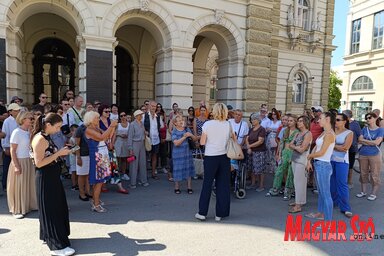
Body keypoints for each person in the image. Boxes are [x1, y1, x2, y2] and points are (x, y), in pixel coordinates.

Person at [31, 113, 75, 256]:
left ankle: (49, 235)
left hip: (52, 176)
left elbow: (49, 156)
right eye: (57, 127)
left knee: (56, 207)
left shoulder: (45, 136)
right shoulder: (40, 139)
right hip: (45, 178)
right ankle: (56, 244)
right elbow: (39, 163)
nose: (58, 130)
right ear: (48, 125)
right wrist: (58, 154)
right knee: (51, 209)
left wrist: (62, 152)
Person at [195, 103, 233, 222]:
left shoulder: (208, 124)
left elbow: (202, 142)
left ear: (214, 111)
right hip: (224, 157)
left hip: (211, 156)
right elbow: (233, 139)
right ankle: (220, 214)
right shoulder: (228, 124)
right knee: (223, 185)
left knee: (207, 184)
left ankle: (202, 213)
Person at [84, 111, 118, 212]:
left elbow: (108, 136)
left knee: (100, 181)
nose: (98, 119)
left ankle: (96, 200)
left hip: (102, 155)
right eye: (97, 118)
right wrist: (111, 126)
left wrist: (112, 127)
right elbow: (102, 137)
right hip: (97, 156)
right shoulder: (89, 130)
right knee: (98, 181)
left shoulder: (96, 128)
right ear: (91, 119)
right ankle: (96, 204)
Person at [306, 111, 336, 221]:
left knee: (326, 195)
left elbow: (322, 152)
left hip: (323, 165)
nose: (318, 120)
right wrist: (310, 159)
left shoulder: (329, 134)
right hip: (319, 164)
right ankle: (320, 213)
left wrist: (309, 156)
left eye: (320, 118)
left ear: (327, 119)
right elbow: (316, 147)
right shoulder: (324, 132)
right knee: (321, 193)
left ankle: (328, 222)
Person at [7, 111, 37, 219]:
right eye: (30, 118)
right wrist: (16, 165)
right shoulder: (16, 132)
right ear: (23, 119)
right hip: (19, 160)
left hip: (28, 160)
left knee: (28, 184)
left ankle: (28, 205)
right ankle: (17, 209)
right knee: (19, 185)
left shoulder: (28, 132)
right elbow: (12, 150)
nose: (32, 120)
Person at [267, 114, 298, 200]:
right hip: (284, 152)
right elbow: (281, 143)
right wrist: (279, 154)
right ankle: (275, 189)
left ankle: (288, 192)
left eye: (291, 121)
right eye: (288, 120)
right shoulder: (285, 130)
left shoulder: (298, 132)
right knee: (279, 171)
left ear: (295, 122)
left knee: (290, 173)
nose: (289, 122)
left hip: (293, 153)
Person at [356, 112, 383, 201]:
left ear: (375, 118)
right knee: (363, 173)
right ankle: (363, 192)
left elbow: (377, 142)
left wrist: (365, 141)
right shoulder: (364, 129)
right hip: (363, 154)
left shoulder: (380, 130)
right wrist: (371, 142)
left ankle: (373, 193)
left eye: (370, 117)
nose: (368, 119)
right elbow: (359, 140)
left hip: (374, 154)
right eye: (366, 118)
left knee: (374, 174)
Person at [330, 113, 353, 217]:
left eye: (338, 120)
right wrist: (337, 146)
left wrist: (332, 145)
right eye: (335, 120)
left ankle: (345, 208)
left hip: (342, 161)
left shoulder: (349, 133)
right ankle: (333, 203)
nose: (336, 122)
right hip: (330, 160)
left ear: (345, 121)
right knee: (332, 183)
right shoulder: (331, 131)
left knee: (342, 184)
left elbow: (345, 148)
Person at [288, 116, 312, 213]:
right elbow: (290, 145)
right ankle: (300, 201)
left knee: (300, 182)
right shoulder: (297, 133)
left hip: (302, 160)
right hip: (295, 158)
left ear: (306, 122)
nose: (298, 123)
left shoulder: (308, 133)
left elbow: (303, 149)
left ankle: (298, 205)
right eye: (298, 121)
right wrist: (297, 147)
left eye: (301, 121)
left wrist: (295, 146)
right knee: (296, 181)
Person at [171, 115, 197, 194]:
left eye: (182, 119)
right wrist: (184, 137)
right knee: (177, 169)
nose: (181, 121)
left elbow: (195, 139)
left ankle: (189, 187)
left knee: (188, 168)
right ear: (175, 123)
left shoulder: (187, 129)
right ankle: (177, 187)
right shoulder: (174, 131)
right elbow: (176, 143)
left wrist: (191, 135)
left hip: (187, 153)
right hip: (177, 154)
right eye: (179, 120)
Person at [2, 103, 21, 191]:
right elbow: (5, 135)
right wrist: (5, 147)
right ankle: (5, 185)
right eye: (15, 110)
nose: (18, 111)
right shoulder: (7, 121)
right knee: (7, 167)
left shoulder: (20, 120)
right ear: (10, 112)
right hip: (9, 147)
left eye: (18, 110)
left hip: (19, 148)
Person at [246, 113, 267, 191]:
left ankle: (261, 186)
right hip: (251, 151)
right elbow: (247, 139)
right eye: (251, 119)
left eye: (254, 119)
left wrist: (250, 146)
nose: (252, 121)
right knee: (252, 168)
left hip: (260, 152)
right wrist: (249, 147)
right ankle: (253, 183)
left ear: (258, 120)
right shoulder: (251, 129)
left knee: (260, 169)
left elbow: (260, 141)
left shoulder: (262, 129)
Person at [128, 110, 149, 188]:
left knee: (143, 162)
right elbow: (130, 137)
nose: (141, 116)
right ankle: (133, 183)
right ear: (136, 116)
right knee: (134, 164)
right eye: (140, 115)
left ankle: (143, 180)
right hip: (135, 144)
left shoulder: (141, 124)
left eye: (141, 115)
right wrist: (130, 148)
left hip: (142, 143)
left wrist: (145, 133)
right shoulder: (132, 124)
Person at [143, 100, 164, 180]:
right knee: (144, 157)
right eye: (152, 106)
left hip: (156, 140)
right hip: (147, 140)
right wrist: (144, 131)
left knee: (154, 156)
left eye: (155, 106)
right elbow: (140, 125)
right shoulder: (144, 116)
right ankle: (143, 174)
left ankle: (153, 173)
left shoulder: (158, 117)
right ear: (148, 106)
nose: (153, 108)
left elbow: (161, 126)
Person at [342, 110, 361, 188]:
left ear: (348, 116)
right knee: (342, 164)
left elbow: (359, 135)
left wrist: (356, 143)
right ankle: (342, 180)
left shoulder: (355, 124)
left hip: (351, 148)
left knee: (350, 165)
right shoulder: (341, 124)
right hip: (342, 147)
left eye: (343, 115)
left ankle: (349, 181)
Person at [75, 122, 92, 201]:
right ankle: (81, 193)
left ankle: (87, 191)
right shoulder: (80, 129)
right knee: (82, 175)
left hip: (90, 154)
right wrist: (78, 157)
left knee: (88, 175)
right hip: (82, 155)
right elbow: (76, 145)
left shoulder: (92, 128)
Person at [112, 111, 130, 180]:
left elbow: (131, 134)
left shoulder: (129, 124)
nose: (123, 117)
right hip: (118, 142)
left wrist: (127, 135)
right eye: (121, 116)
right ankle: (117, 173)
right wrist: (113, 144)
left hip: (126, 142)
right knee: (117, 158)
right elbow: (114, 134)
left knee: (124, 159)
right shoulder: (117, 124)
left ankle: (124, 173)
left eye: (124, 115)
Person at [265, 109, 281, 173]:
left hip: (275, 137)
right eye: (272, 114)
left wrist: (271, 129)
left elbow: (279, 130)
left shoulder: (279, 122)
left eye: (274, 114)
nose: (273, 115)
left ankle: (274, 167)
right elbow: (267, 129)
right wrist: (272, 130)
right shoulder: (270, 121)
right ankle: (270, 168)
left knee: (275, 152)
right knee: (269, 152)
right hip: (269, 137)